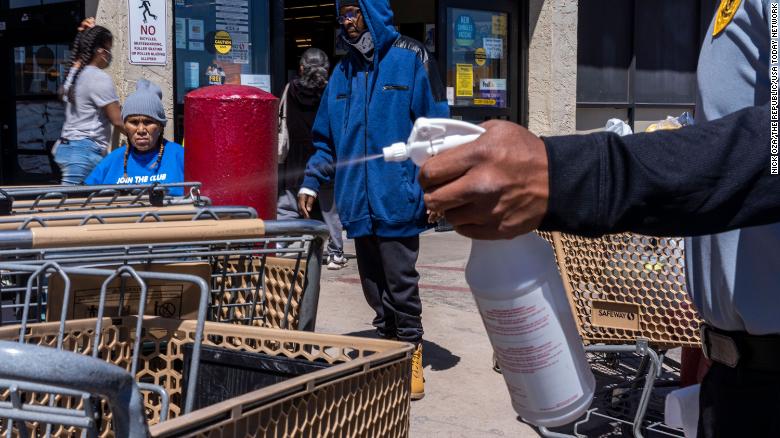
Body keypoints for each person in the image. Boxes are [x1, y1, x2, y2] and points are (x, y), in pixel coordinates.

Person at [297, 0, 449, 399]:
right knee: (372, 286)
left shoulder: (412, 57)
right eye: (342, 14)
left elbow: (435, 130)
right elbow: (325, 139)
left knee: (400, 283)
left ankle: (411, 351)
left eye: (352, 12)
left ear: (372, 10)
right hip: (357, 200)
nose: (345, 21)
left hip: (397, 194)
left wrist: (435, 187)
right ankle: (387, 351)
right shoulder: (343, 72)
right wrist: (312, 181)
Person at [277, 48, 347, 270]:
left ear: (300, 68)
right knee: (330, 209)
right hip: (323, 156)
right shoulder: (331, 93)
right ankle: (335, 253)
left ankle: (282, 247)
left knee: (287, 205)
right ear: (327, 70)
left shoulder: (289, 90)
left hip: (295, 157)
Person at [85, 80, 184, 196]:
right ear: (125, 126)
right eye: (134, 122)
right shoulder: (112, 160)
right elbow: (86, 197)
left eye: (148, 122)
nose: (141, 130)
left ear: (160, 126)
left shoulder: (180, 156)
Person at [54, 24, 123, 186]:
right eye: (108, 49)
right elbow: (117, 120)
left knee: (81, 205)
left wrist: (83, 35)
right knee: (72, 206)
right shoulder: (99, 77)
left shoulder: (73, 74)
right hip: (83, 152)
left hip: (66, 148)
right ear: (99, 51)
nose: (109, 55)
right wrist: (150, 141)